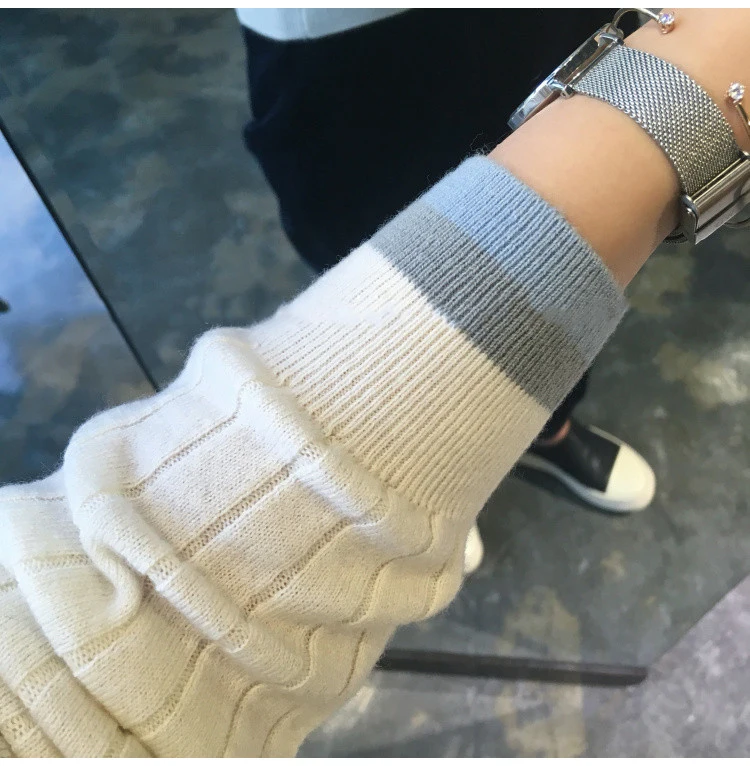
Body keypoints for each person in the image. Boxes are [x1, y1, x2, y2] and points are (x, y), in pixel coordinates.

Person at [0, 8, 748, 758]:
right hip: (339, 35)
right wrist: (679, 100)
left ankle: (541, 436)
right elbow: (76, 679)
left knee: (564, 311)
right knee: (366, 234)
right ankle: (426, 493)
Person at [238, 8, 657, 527]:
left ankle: (549, 429)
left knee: (557, 238)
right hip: (344, 33)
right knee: (380, 266)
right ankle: (416, 471)